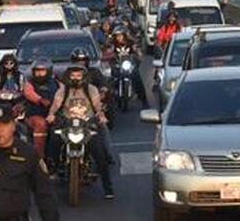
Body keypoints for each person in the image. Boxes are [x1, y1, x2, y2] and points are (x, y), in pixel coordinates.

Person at [46, 65, 114, 199]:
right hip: (67, 122)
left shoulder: (91, 89)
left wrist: (101, 117)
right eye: (73, 75)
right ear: (68, 76)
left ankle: (108, 187)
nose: (76, 78)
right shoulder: (63, 90)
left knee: (99, 153)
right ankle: (53, 169)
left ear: (84, 76)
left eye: (79, 75)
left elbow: (97, 106)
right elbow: (56, 104)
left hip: (87, 122)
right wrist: (51, 114)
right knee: (53, 140)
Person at [23, 58, 60, 160]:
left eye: (42, 71)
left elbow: (64, 93)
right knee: (41, 124)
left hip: (54, 114)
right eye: (37, 71)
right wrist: (40, 100)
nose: (39, 74)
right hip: (35, 114)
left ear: (48, 71)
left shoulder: (56, 83)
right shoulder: (30, 83)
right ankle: (39, 159)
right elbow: (28, 93)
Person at [109, 27, 148, 108]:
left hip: (129, 66)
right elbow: (108, 52)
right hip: (118, 66)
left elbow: (137, 51)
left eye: (121, 35)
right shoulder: (113, 45)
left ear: (125, 36)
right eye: (117, 36)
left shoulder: (131, 43)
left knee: (137, 79)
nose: (119, 38)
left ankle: (144, 101)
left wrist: (139, 55)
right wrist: (110, 56)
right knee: (111, 79)